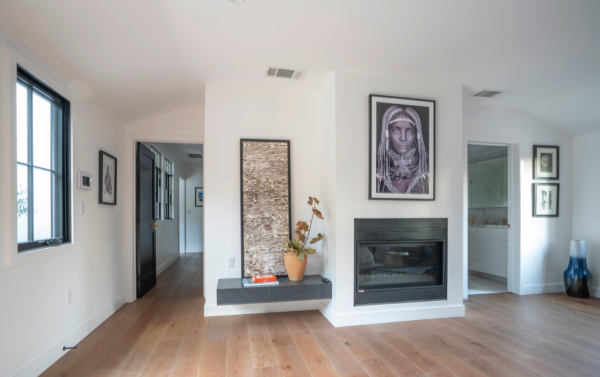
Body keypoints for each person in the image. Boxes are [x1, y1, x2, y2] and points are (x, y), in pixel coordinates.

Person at [376, 106, 429, 194]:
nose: (403, 138)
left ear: (416, 135)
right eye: (396, 131)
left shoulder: (426, 178)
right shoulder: (378, 177)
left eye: (409, 131)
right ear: (388, 134)